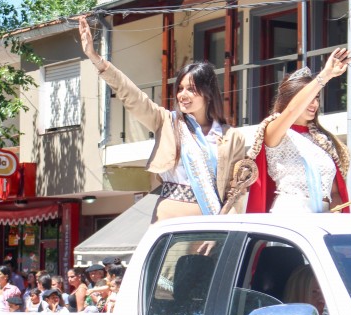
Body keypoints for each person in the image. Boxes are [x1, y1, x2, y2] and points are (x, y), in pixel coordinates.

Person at [79, 19, 248, 221]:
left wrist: (226, 227)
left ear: (208, 93)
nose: (182, 95)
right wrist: (96, 58)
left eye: (191, 90)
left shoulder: (231, 137)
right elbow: (132, 96)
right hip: (169, 218)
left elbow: (236, 190)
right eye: (180, 89)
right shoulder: (166, 121)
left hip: (210, 221)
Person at [246, 48, 351, 214]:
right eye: (308, 99)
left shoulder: (322, 140)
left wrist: (336, 211)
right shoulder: (274, 130)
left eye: (316, 98)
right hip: (290, 215)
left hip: (323, 218)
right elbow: (291, 112)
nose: (314, 104)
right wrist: (325, 75)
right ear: (290, 101)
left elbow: (334, 192)